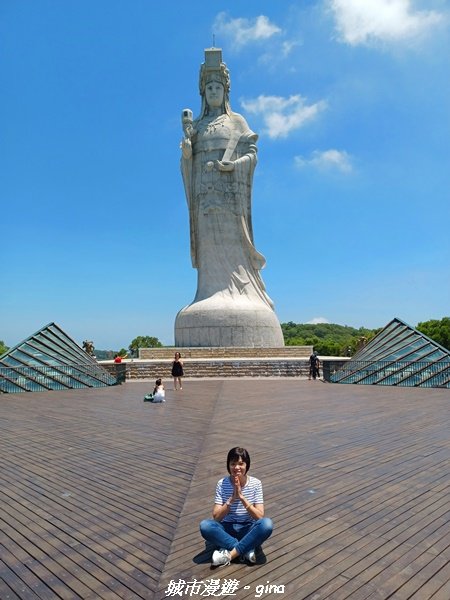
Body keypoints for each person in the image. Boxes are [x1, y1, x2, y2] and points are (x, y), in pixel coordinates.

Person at [199, 447, 273, 567]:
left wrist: (242, 498)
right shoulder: (222, 484)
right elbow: (216, 517)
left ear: (247, 465)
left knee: (266, 524)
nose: (236, 467)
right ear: (228, 465)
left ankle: (229, 555)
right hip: (227, 529)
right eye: (233, 464)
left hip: (248, 529)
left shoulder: (256, 484)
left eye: (241, 464)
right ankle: (246, 549)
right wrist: (232, 498)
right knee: (206, 526)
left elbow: (259, 516)